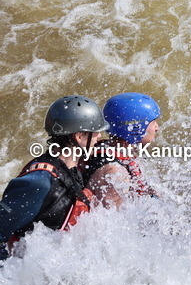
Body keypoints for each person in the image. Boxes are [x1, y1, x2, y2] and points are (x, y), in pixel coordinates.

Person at [0, 96, 108, 259]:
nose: (99, 136)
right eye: (95, 132)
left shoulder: (72, 167)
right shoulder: (39, 181)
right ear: (79, 137)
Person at [83, 93, 161, 208]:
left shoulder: (114, 149)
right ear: (136, 127)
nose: (157, 127)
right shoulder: (114, 172)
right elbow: (112, 220)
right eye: (153, 122)